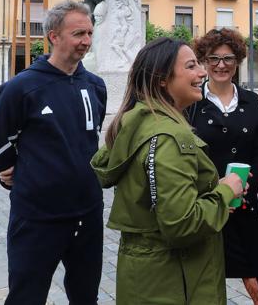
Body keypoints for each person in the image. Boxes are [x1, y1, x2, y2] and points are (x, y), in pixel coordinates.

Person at [91, 37, 244, 303]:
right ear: (162, 79)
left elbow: (159, 198)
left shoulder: (136, 122)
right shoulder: (171, 138)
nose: (202, 72)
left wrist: (207, 192)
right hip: (175, 280)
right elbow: (182, 224)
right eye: (191, 66)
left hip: (146, 277)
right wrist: (224, 190)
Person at [0, 0, 107, 305]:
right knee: (27, 297)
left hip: (88, 214)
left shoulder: (95, 86)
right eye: (79, 34)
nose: (87, 41)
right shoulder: (21, 87)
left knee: (86, 296)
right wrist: (12, 174)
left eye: (90, 33)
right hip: (37, 218)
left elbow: (90, 141)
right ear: (54, 36)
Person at [189, 28, 258, 304]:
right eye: (213, 58)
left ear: (237, 61)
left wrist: (248, 185)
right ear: (204, 60)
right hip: (208, 206)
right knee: (204, 278)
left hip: (244, 205)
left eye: (228, 58)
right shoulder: (192, 103)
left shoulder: (251, 100)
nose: (220, 65)